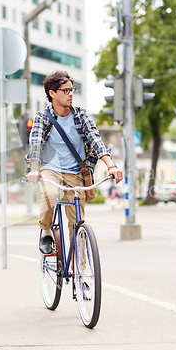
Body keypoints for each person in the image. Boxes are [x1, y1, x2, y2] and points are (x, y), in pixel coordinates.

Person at [25, 70, 123, 255]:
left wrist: (111, 166)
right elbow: (36, 143)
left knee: (77, 224)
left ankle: (82, 273)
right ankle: (46, 231)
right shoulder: (42, 117)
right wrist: (34, 170)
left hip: (75, 171)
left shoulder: (81, 116)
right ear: (52, 93)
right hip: (49, 168)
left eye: (72, 90)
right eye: (65, 90)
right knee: (51, 193)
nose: (70, 94)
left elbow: (96, 141)